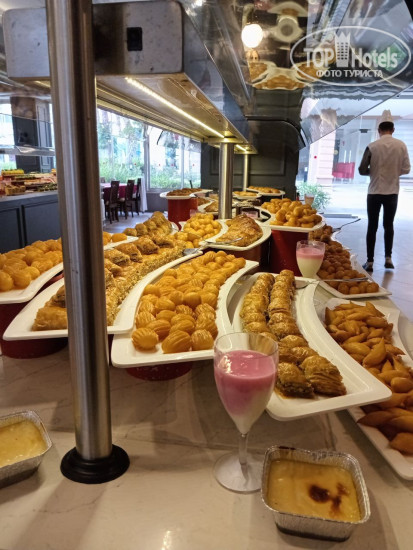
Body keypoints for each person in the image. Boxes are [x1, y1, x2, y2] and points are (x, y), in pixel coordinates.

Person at [358, 121, 410, 272]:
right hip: (392, 192)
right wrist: (393, 172)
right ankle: (388, 259)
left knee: (372, 226)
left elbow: (362, 169)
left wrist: (373, 172)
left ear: (379, 130)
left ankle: (370, 262)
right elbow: (406, 169)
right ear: (393, 130)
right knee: (389, 225)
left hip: (374, 192)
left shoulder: (372, 146)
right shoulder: (401, 145)